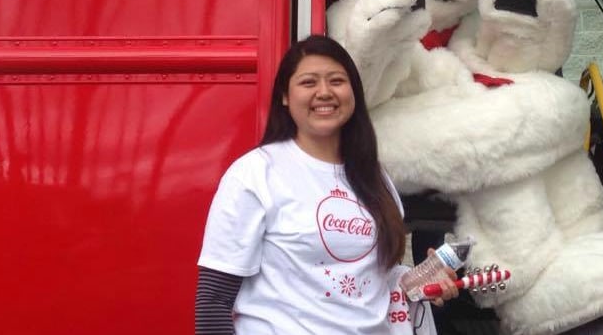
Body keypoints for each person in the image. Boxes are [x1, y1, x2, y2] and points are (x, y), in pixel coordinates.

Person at [196, 34, 458, 334]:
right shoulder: (255, 173)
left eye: (336, 81)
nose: (324, 92)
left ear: (353, 93)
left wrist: (421, 282)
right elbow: (213, 301)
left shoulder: (375, 178)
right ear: (284, 95)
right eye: (308, 82)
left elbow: (377, 282)